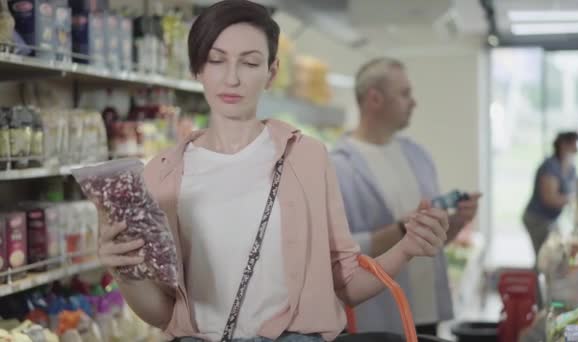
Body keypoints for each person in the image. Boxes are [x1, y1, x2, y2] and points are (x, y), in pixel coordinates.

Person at [95, 2, 450, 342]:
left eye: (249, 63)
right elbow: (162, 314)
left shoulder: (307, 158)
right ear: (197, 69)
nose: (231, 78)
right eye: (216, 60)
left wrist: (406, 248)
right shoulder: (162, 175)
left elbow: (345, 284)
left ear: (271, 72)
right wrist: (125, 273)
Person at [331, 57, 481, 336]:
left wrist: (458, 222)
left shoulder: (419, 156)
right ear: (374, 99)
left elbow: (432, 241)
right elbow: (341, 255)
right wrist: (402, 230)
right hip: (380, 317)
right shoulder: (337, 167)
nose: (414, 102)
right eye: (404, 94)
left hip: (426, 310)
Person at [523, 132, 578, 257]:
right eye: (574, 144)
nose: (577, 148)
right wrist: (573, 198)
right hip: (537, 218)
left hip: (551, 220)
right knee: (546, 258)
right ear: (563, 144)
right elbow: (550, 199)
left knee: (554, 256)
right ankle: (538, 276)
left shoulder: (571, 168)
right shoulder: (550, 166)